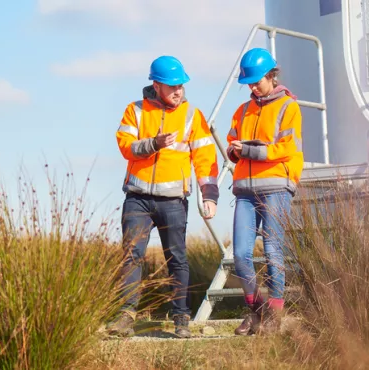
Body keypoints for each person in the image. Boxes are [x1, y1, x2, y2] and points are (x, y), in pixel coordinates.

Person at [107, 55, 219, 338]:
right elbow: (126, 147)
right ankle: (126, 316)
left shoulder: (193, 115)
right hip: (137, 198)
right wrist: (154, 144)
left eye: (180, 85)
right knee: (131, 256)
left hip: (173, 201)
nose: (177, 91)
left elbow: (205, 158)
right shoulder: (135, 111)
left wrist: (210, 194)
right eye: (171, 86)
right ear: (155, 85)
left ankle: (181, 318)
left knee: (177, 258)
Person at [226, 47, 303, 336]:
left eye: (257, 80)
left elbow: (287, 149)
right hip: (244, 190)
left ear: (272, 75)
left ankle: (274, 316)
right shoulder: (242, 111)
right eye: (249, 82)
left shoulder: (289, 107)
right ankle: (257, 312)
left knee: (272, 251)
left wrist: (248, 150)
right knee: (241, 255)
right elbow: (233, 142)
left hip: (276, 188)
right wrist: (234, 152)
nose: (253, 86)